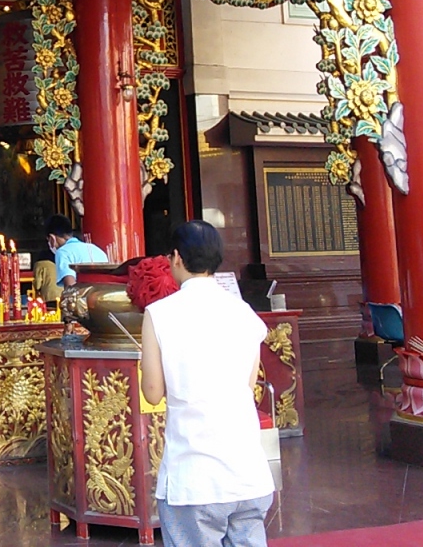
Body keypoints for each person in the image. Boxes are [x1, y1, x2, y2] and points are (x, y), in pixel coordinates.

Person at [141, 220, 274, 547]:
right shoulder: (244, 312)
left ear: (176, 257)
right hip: (248, 473)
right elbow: (249, 384)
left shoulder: (159, 313)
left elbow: (153, 393)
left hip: (194, 477)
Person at [46, 214, 108, 287]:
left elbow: (70, 287)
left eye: (48, 240)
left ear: (52, 238)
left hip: (85, 293)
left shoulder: (63, 252)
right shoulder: (96, 249)